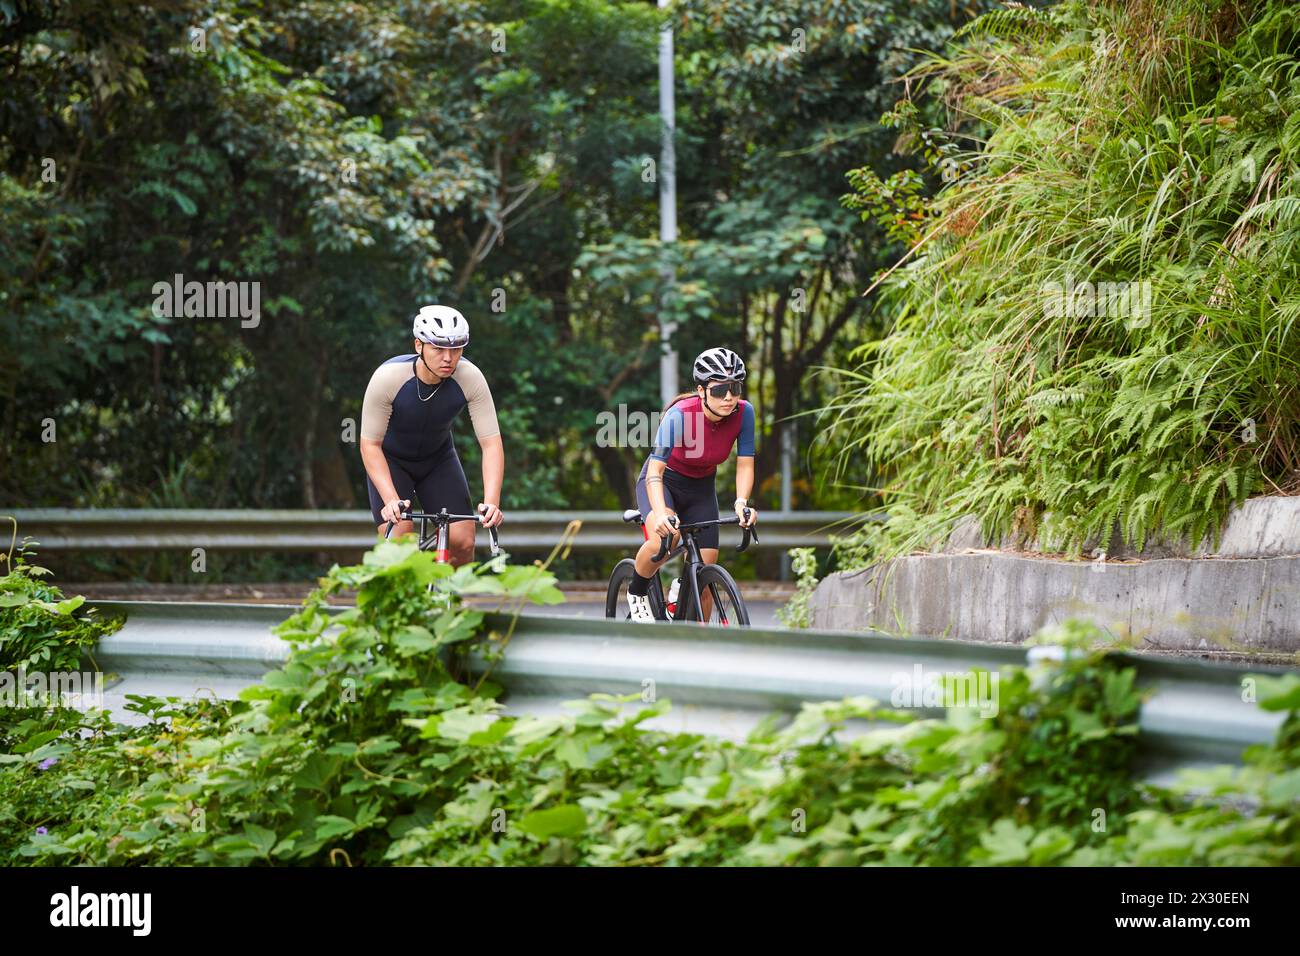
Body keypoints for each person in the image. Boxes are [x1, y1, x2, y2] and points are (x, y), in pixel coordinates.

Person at [359, 304, 505, 566]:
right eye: (438, 348)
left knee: (463, 542)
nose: (448, 358)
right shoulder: (388, 378)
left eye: (456, 348)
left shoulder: (470, 377)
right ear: (419, 346)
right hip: (392, 462)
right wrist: (391, 499)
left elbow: (491, 443)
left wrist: (492, 503)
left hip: (438, 461)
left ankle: (452, 605)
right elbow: (370, 445)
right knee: (401, 549)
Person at [627, 347, 758, 620]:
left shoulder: (744, 413)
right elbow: (654, 471)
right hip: (663, 482)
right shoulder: (680, 414)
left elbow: (744, 463)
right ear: (701, 391)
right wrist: (662, 513)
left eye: (735, 388)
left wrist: (741, 502)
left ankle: (700, 645)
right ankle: (637, 592)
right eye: (720, 390)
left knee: (704, 580)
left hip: (700, 488)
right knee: (668, 536)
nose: (729, 397)